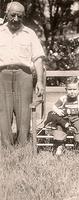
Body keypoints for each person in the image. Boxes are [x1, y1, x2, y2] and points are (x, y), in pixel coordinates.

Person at [0, 2, 45, 150]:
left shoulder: (30, 33)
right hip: (2, 74)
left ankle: (22, 145)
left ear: (23, 16)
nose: (16, 18)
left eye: (20, 15)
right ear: (6, 13)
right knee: (3, 111)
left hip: (24, 74)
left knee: (24, 111)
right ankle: (7, 146)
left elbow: (38, 57)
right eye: (13, 15)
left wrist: (39, 81)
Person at [44, 77, 79, 156]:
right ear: (66, 89)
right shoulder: (63, 98)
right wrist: (57, 111)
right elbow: (54, 106)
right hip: (65, 118)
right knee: (59, 127)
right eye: (69, 89)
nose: (72, 92)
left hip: (77, 117)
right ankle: (59, 145)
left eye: (74, 89)